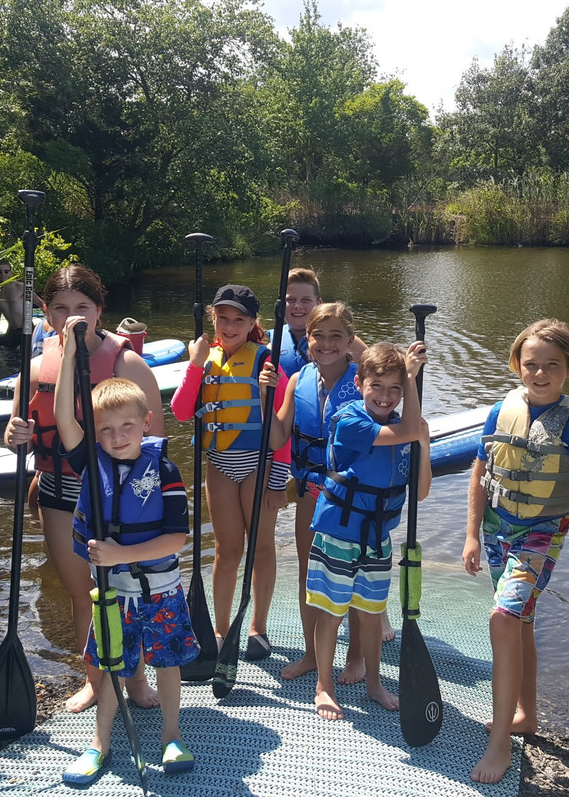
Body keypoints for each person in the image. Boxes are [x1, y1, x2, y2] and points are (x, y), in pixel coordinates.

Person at [461, 318, 569, 784]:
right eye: (530, 364)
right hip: (498, 527)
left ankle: (500, 748)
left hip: (542, 531)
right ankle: (525, 715)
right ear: (517, 365)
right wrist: (472, 534)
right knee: (520, 621)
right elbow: (480, 474)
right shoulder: (501, 410)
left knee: (503, 618)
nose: (539, 373)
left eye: (551, 365)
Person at [3, 264, 166, 713]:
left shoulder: (125, 363)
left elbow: (153, 439)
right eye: (60, 308)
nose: (71, 316)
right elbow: (16, 429)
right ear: (46, 313)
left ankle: (133, 679)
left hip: (119, 498)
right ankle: (95, 680)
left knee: (124, 594)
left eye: (82, 308)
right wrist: (15, 433)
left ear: (99, 311)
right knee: (83, 594)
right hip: (57, 491)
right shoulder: (34, 368)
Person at [52, 324, 197, 784]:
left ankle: (171, 737)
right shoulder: (89, 462)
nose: (116, 437)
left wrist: (118, 553)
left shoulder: (166, 470)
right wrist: (72, 352)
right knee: (112, 669)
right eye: (107, 430)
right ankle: (100, 744)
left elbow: (176, 539)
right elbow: (63, 419)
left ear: (146, 424)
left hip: (161, 591)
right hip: (114, 596)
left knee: (167, 665)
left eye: (127, 427)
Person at [303, 341, 430, 720]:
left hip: (377, 539)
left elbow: (420, 491)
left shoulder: (406, 430)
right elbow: (408, 428)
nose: (386, 397)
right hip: (339, 536)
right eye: (378, 386)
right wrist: (410, 378)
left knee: (372, 615)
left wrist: (423, 439)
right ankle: (324, 685)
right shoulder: (351, 421)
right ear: (359, 384)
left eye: (396, 389)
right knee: (331, 614)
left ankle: (374, 683)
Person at [169, 284, 290, 661]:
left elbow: (284, 431)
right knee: (227, 550)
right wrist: (193, 365)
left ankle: (258, 627)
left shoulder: (267, 362)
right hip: (220, 465)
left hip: (259, 464)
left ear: (253, 323)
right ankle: (221, 630)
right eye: (223, 317)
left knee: (261, 546)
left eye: (239, 319)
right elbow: (181, 412)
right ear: (213, 319)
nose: (229, 325)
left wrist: (277, 480)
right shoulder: (204, 358)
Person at [262, 302, 373, 682]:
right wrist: (265, 399)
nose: (326, 344)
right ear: (307, 339)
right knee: (312, 574)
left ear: (349, 340)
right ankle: (312, 653)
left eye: (336, 336)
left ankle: (355, 657)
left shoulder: (364, 382)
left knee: (353, 577)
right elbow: (278, 436)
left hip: (354, 497)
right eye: (318, 336)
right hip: (310, 490)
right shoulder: (297, 380)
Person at [269, 267, 367, 378]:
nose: (297, 306)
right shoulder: (271, 343)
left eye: (306, 300)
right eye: (291, 300)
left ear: (319, 303)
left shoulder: (346, 342)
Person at [0, 259, 43, 349]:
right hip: (11, 331)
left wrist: (51, 325)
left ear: (11, 273)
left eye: (6, 272)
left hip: (26, 329)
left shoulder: (21, 287)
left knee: (24, 358)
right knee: (9, 359)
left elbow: (40, 303)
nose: (3, 274)